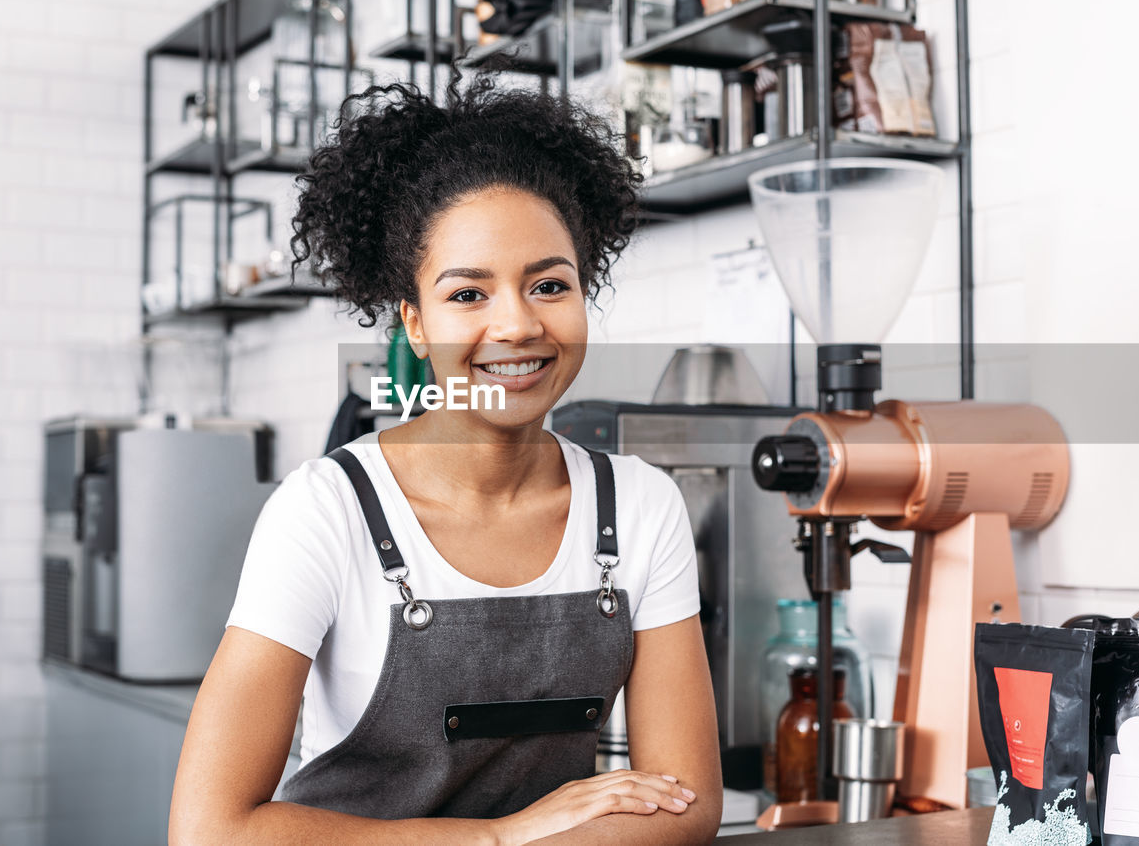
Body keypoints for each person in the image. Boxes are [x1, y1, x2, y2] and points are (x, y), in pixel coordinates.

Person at [169, 73, 723, 845]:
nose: (517, 325)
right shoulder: (326, 511)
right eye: (468, 295)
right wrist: (496, 838)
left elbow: (687, 805)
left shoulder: (639, 506)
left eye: (549, 285)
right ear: (415, 324)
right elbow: (211, 831)